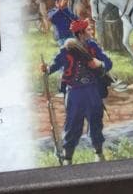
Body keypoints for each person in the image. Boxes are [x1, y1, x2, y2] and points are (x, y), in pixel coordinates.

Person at [42, 18, 112, 163]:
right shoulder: (67, 48)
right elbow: (55, 64)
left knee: (95, 122)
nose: (91, 31)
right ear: (80, 33)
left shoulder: (93, 46)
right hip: (74, 92)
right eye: (88, 30)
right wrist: (47, 69)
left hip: (93, 90)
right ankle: (68, 157)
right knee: (73, 124)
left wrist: (98, 63)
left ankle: (98, 153)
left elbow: (108, 63)